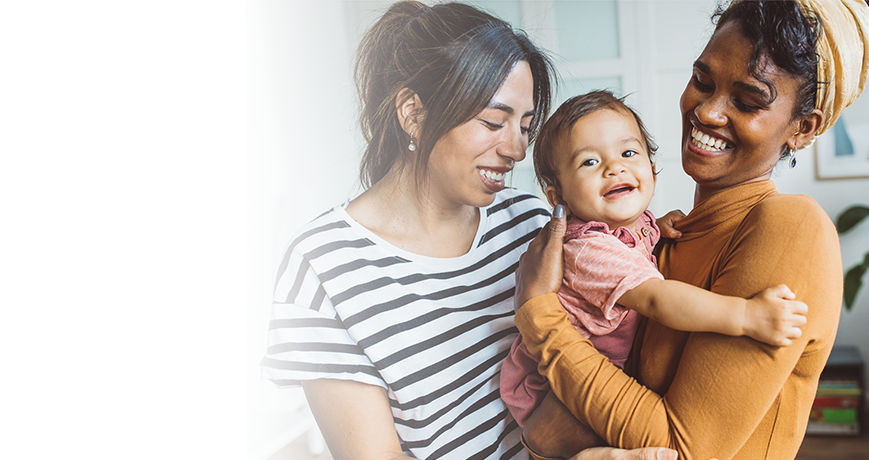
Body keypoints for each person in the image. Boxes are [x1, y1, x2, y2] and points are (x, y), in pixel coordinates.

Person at [259, 1, 681, 459]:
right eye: (493, 122)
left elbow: (614, 296)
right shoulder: (325, 264)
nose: (518, 150)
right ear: (413, 113)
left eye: (524, 126)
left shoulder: (532, 224)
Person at [513, 0, 869, 459]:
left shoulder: (791, 227)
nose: (708, 112)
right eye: (702, 81)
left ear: (802, 128)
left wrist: (540, 317)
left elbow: (685, 447)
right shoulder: (659, 237)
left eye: (746, 101)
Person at [499, 90, 807, 428]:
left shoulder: (636, 225)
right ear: (559, 197)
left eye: (628, 153)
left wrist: (655, 229)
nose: (614, 167)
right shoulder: (588, 249)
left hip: (602, 372)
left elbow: (631, 251)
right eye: (589, 162)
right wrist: (746, 315)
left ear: (653, 170)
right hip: (553, 392)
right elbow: (658, 300)